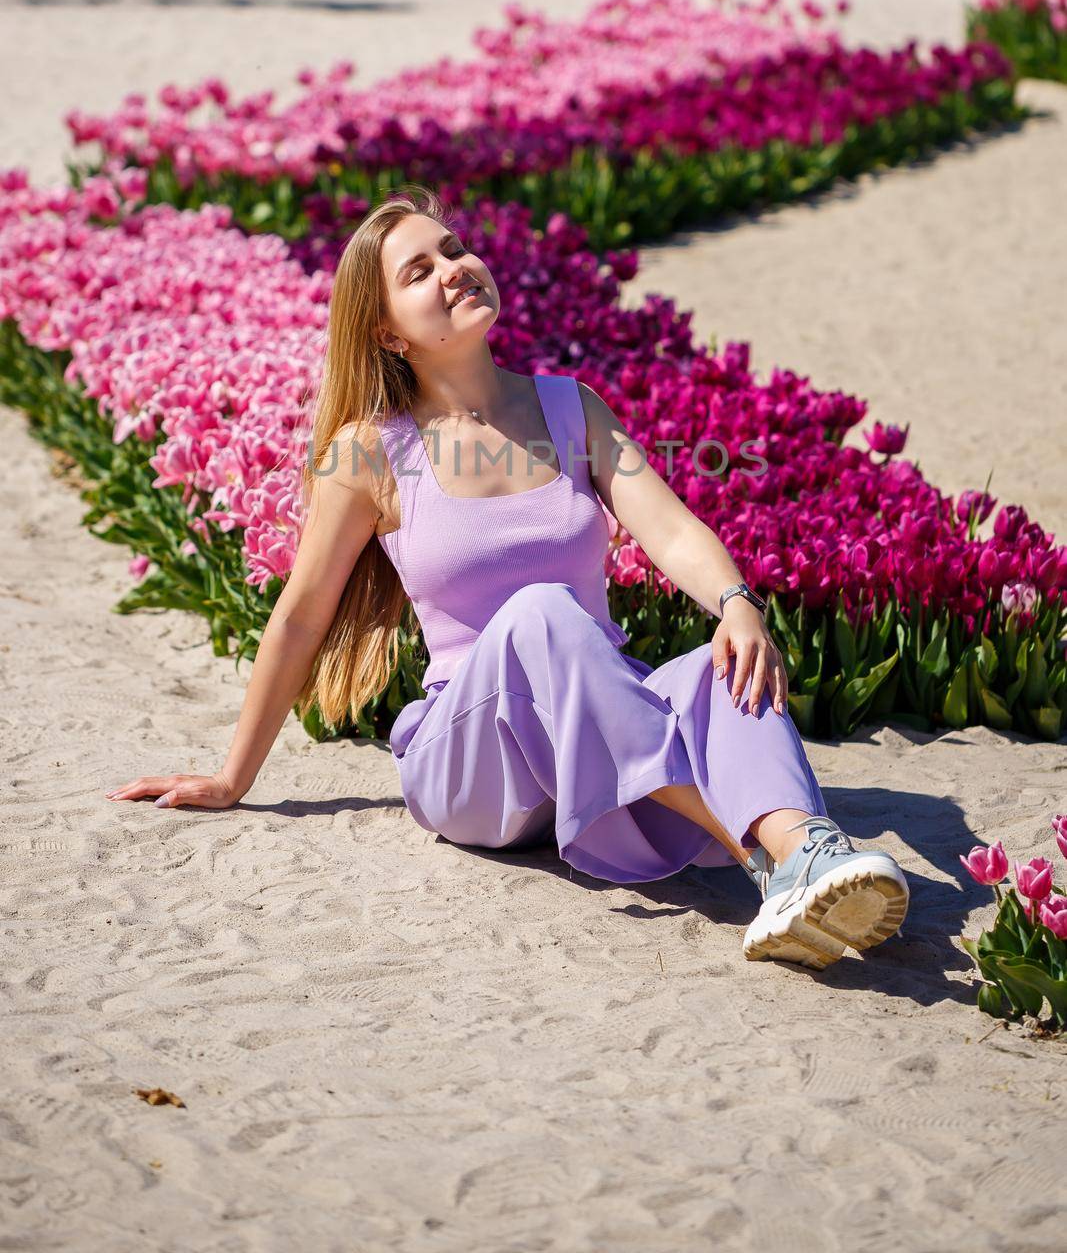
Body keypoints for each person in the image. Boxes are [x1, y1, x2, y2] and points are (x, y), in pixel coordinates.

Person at [105, 185, 910, 970]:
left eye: (452, 250)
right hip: (471, 764)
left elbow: (666, 527)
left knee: (717, 670)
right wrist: (231, 776)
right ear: (387, 334)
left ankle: (806, 849)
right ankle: (761, 856)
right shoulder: (370, 453)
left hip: (594, 742)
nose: (451, 268)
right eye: (417, 271)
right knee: (541, 614)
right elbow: (300, 617)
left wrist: (736, 603)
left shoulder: (570, 410)